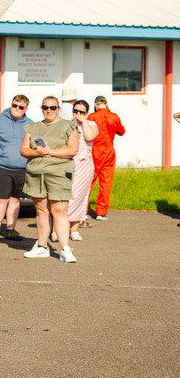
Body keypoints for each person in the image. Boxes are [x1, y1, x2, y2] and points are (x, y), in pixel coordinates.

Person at [20, 96, 80, 262]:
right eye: (45, 107)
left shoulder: (68, 125)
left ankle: (65, 249)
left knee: (59, 211)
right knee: (41, 211)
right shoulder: (33, 127)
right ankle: (42, 246)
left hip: (59, 173)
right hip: (36, 173)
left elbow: (73, 149)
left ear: (58, 108)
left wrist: (49, 152)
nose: (49, 110)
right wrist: (36, 153)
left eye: (52, 107)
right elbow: (24, 150)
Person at [0, 94, 32, 242]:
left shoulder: (30, 124)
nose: (16, 109)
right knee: (1, 199)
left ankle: (10, 229)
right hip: (1, 167)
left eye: (20, 107)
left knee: (15, 199)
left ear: (25, 109)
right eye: (14, 105)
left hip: (22, 168)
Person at [55, 100, 98, 242]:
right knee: (64, 197)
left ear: (87, 113)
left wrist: (84, 121)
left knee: (80, 197)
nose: (78, 114)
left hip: (85, 165)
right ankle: (58, 228)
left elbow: (89, 137)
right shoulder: (66, 124)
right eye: (76, 111)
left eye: (82, 112)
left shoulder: (91, 124)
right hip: (68, 164)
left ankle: (74, 229)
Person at [87, 95, 125, 221]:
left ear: (95, 104)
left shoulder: (92, 117)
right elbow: (122, 131)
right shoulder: (114, 116)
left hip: (95, 151)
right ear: (106, 104)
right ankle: (101, 213)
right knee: (106, 183)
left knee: (88, 182)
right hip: (109, 151)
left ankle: (83, 210)